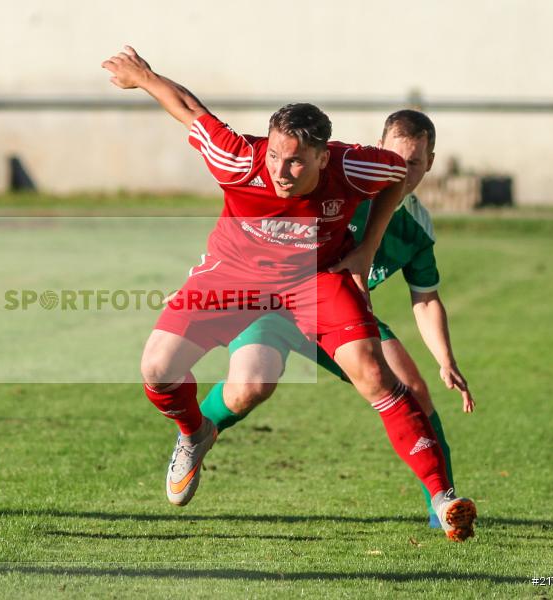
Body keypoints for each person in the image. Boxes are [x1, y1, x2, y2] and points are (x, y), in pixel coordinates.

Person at [101, 47, 476, 541]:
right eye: (275, 155)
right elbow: (190, 110)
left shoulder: (359, 166)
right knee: (159, 368)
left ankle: (443, 498)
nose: (280, 170)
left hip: (315, 281)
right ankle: (194, 434)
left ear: (324, 155)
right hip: (234, 276)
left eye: (296, 162)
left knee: (376, 373)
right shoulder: (237, 158)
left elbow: (396, 180)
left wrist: (366, 248)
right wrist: (146, 78)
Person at [198, 110, 475, 529]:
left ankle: (443, 505)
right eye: (396, 158)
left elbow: (426, 298)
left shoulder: (416, 225)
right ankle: (195, 435)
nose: (403, 169)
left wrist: (445, 358)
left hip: (341, 315)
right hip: (275, 306)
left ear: (430, 163)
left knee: (414, 389)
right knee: (248, 388)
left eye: (414, 162)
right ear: (381, 151)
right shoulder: (349, 190)